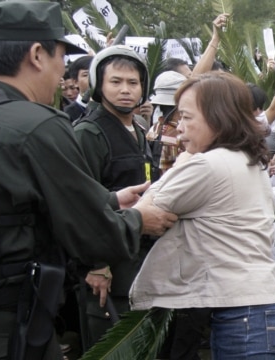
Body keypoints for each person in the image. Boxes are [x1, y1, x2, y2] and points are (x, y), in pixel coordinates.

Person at [0, 2, 177, 359]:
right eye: (62, 59)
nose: (63, 74)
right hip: (9, 325)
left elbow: (14, 201)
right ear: (37, 54)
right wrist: (141, 219)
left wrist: (111, 201)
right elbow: (91, 234)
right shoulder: (39, 125)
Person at [129, 71, 275, 359]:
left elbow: (147, 210)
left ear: (218, 116)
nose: (179, 129)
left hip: (241, 315)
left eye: (187, 118)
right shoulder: (245, 158)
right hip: (254, 310)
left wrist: (182, 162)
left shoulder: (208, 165)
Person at [72, 45, 161, 350]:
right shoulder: (89, 133)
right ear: (99, 84)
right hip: (108, 271)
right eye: (116, 81)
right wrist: (97, 264)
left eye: (133, 83)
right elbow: (81, 204)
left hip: (138, 262)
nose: (125, 90)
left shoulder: (136, 130)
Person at [63, 55, 93, 122]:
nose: (93, 78)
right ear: (75, 81)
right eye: (86, 75)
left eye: (96, 73)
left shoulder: (111, 107)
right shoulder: (67, 114)